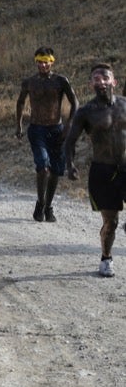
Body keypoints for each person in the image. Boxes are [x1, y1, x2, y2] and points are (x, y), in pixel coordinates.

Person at [65, 64, 126, 277]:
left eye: (104, 77)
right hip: (103, 172)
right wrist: (69, 165)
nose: (100, 81)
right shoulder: (86, 112)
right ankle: (106, 258)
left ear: (114, 82)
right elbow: (70, 141)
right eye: (96, 79)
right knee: (112, 222)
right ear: (91, 84)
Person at [16, 47, 78, 222]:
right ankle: (40, 203)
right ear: (35, 62)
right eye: (39, 62)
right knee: (43, 166)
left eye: (46, 62)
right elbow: (20, 102)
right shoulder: (29, 82)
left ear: (52, 62)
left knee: (57, 171)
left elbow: (75, 102)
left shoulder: (60, 81)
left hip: (57, 130)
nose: (43, 65)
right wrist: (19, 125)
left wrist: (69, 126)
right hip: (37, 129)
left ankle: (49, 206)